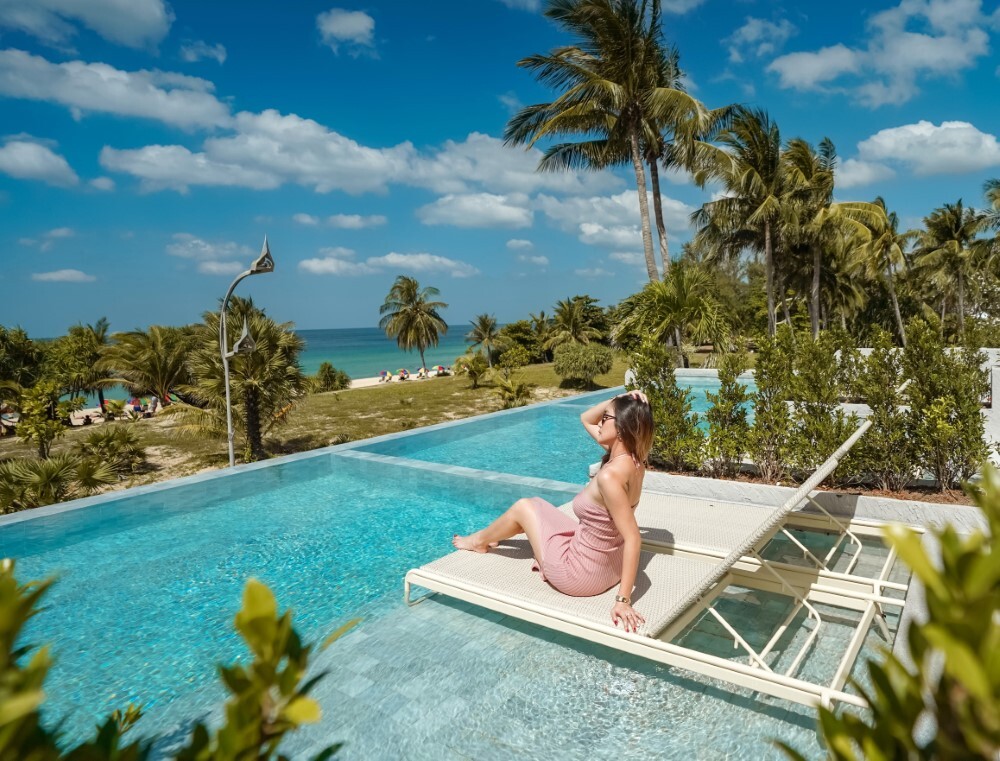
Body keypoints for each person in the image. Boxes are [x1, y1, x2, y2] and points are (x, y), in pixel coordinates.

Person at [453, 391, 653, 633]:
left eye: (606, 417)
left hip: (579, 575)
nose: (600, 420)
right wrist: (619, 401)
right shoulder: (635, 460)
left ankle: (478, 541)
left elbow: (633, 537)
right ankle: (487, 537)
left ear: (620, 428)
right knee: (536, 504)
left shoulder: (610, 476)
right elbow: (586, 419)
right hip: (610, 566)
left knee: (523, 507)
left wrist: (623, 601)